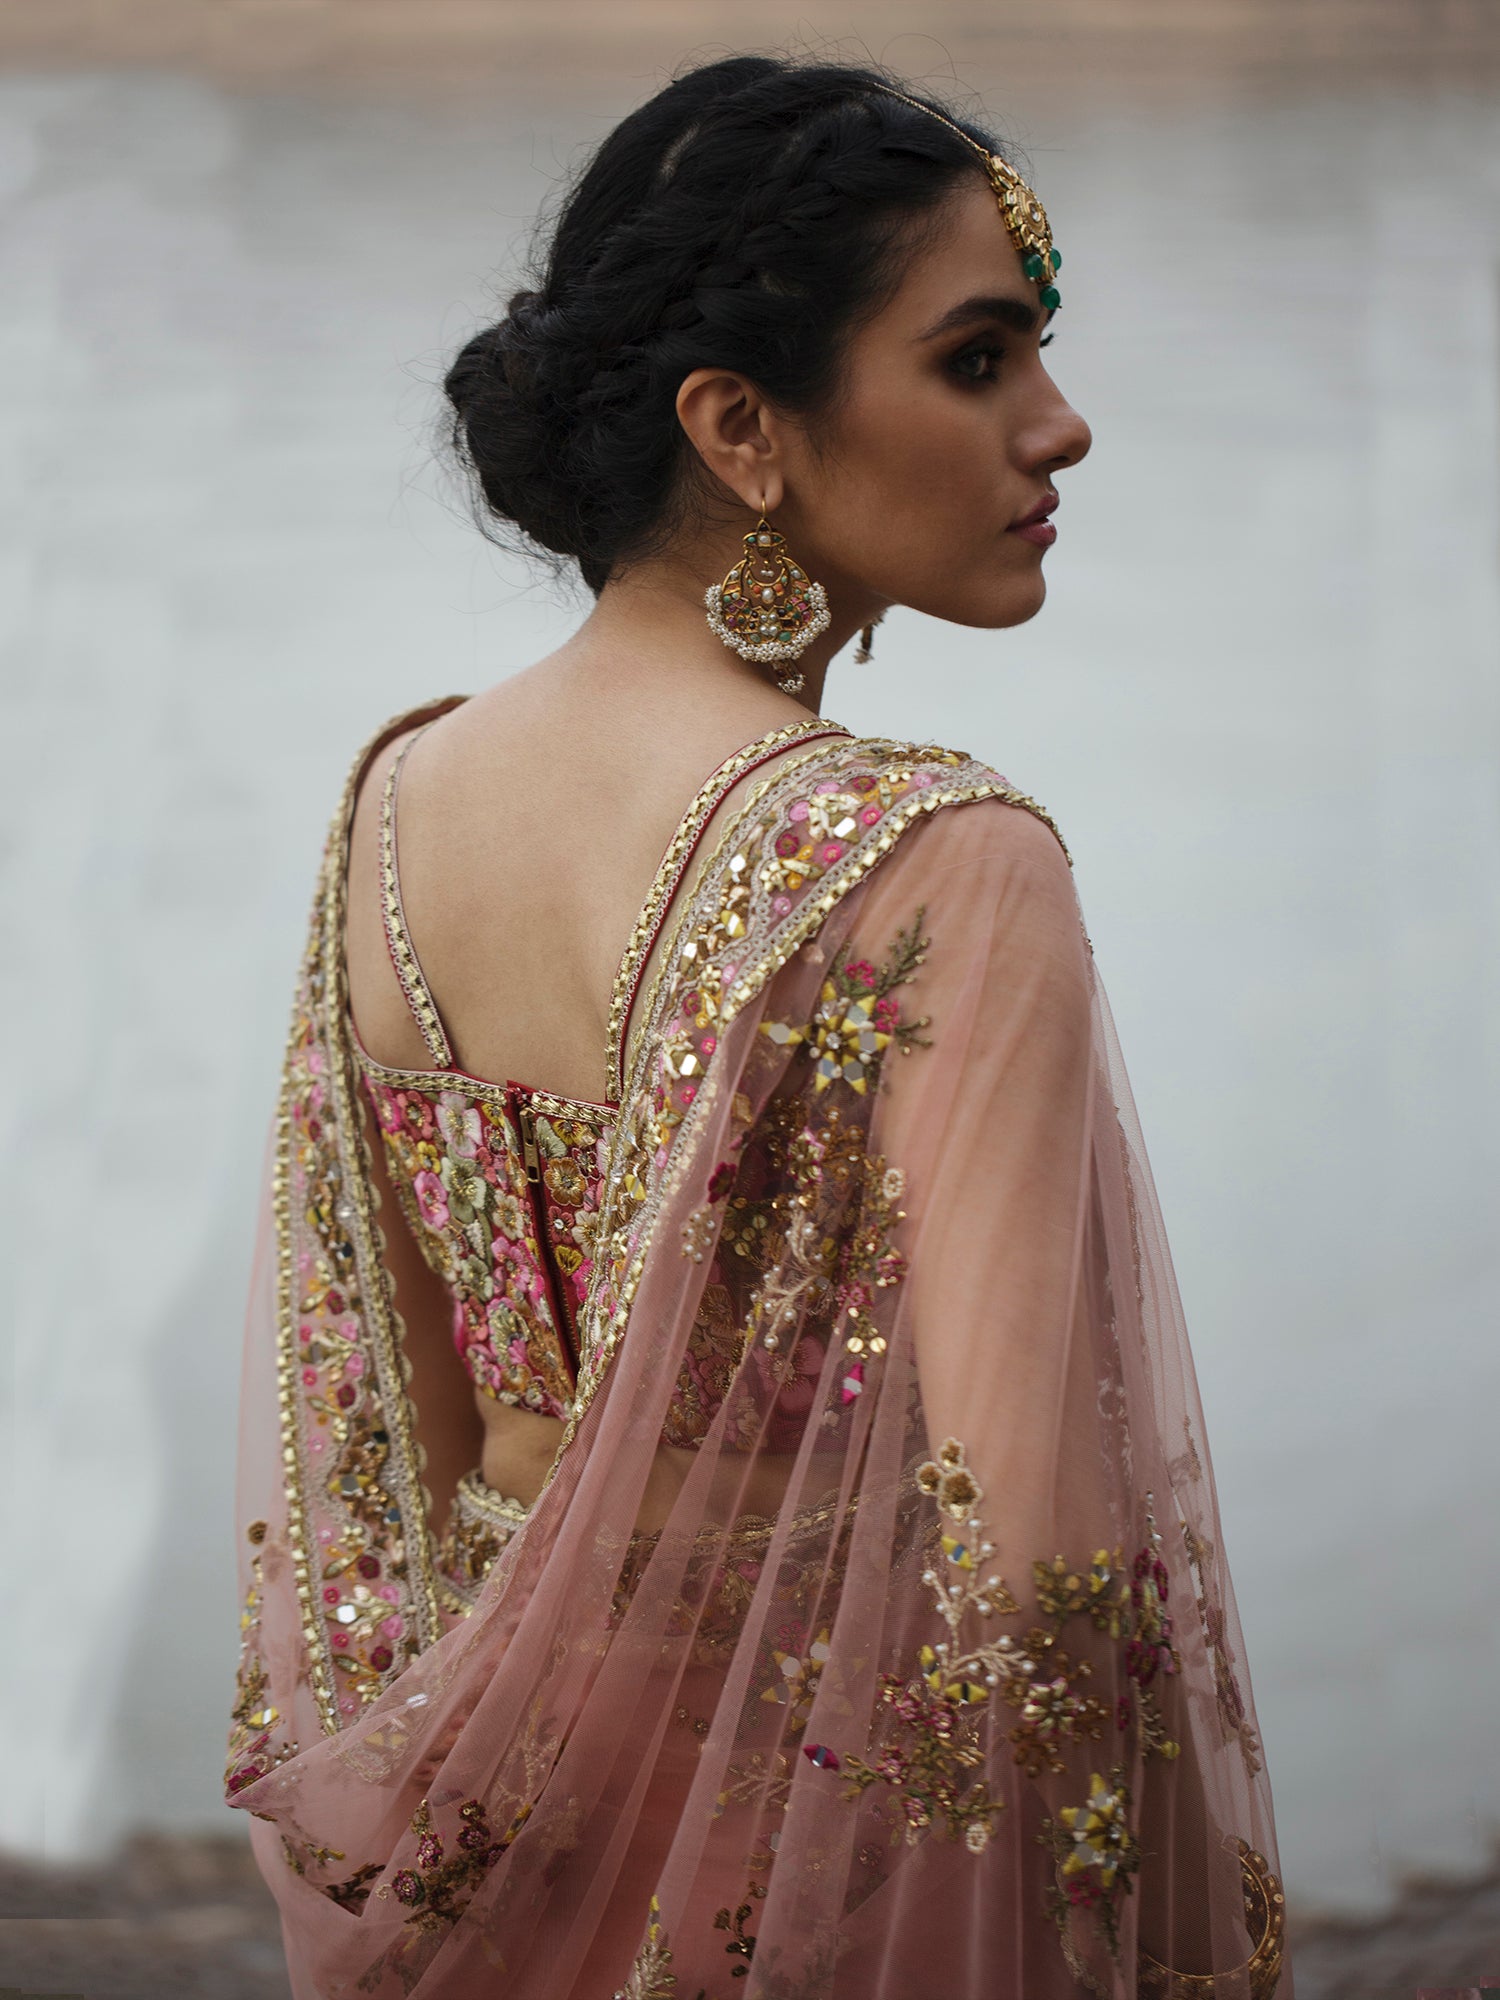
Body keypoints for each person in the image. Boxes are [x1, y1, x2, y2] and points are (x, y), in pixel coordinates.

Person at [224, 55, 1290, 1999]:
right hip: (824, 1872)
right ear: (740, 426)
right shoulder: (938, 864)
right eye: (977, 361)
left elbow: (376, 1447)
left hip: (499, 1841)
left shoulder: (396, 804)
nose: (1060, 426)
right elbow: (1042, 1572)